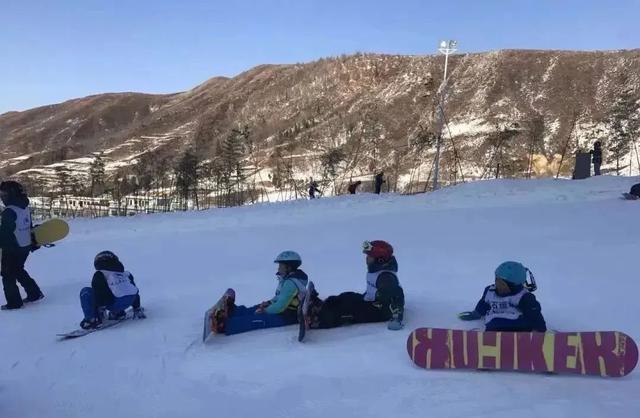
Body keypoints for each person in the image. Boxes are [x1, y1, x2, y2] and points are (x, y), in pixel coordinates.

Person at [306, 240, 404, 330]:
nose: (367, 259)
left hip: (379, 311)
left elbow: (397, 296)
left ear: (380, 260)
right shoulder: (377, 271)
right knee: (347, 296)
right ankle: (320, 306)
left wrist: (396, 318)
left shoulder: (386, 278)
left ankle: (317, 320)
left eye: (370, 257)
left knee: (347, 309)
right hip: (371, 302)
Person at [217, 251, 308, 335]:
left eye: (281, 265)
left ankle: (225, 325)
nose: (278, 268)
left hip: (287, 316)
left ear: (289, 267)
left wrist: (265, 311)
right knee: (256, 308)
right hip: (284, 311)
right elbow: (280, 297)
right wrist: (269, 303)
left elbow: (280, 306)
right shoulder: (289, 279)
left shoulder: (290, 283)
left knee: (255, 319)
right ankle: (233, 312)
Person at [458, 261, 546, 332]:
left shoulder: (523, 297)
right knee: (493, 323)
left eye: (502, 284)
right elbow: (483, 304)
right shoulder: (490, 292)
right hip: (494, 325)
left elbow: (534, 314)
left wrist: (540, 330)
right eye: (497, 281)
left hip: (518, 327)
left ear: (514, 286)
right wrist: (476, 314)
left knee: (526, 322)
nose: (498, 285)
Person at [0, 180, 44, 310]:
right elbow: (28, 225)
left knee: (8, 274)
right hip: (25, 245)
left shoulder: (9, 211)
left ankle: (14, 303)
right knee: (18, 270)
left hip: (12, 247)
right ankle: (35, 293)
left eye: (4, 193)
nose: (2, 196)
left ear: (11, 194)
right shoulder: (24, 207)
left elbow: (5, 233)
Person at [79, 251, 145, 329]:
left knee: (86, 291)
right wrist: (137, 307)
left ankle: (92, 320)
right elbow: (134, 290)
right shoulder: (126, 274)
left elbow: (101, 292)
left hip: (115, 303)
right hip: (130, 301)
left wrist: (101, 311)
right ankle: (118, 313)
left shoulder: (100, 274)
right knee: (118, 289)